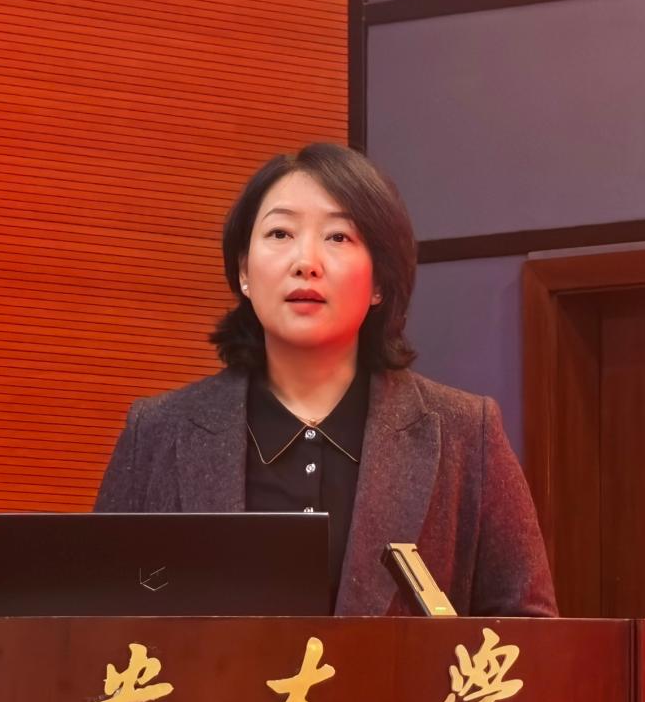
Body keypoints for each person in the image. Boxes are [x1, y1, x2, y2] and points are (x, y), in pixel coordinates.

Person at [95, 143, 557, 617]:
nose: (306, 262)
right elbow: (94, 622)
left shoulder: (466, 433)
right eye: (280, 233)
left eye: (338, 237)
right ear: (244, 271)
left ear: (380, 281)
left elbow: (531, 635)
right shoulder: (158, 432)